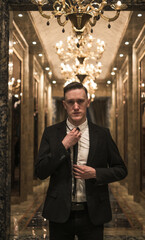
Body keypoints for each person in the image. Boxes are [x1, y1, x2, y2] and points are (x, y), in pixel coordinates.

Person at [35, 82, 127, 240]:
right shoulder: (51, 133)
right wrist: (63, 145)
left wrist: (96, 173)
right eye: (70, 102)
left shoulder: (102, 134)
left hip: (93, 213)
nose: (76, 106)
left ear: (88, 102)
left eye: (80, 101)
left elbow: (120, 170)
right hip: (59, 213)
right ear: (64, 104)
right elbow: (41, 171)